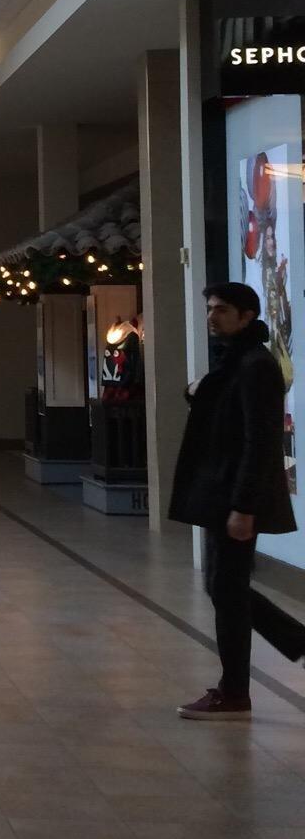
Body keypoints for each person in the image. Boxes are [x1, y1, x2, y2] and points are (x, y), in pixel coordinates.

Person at [170, 281, 304, 720]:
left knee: (226, 590)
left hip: (234, 497)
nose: (212, 317)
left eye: (222, 310)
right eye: (210, 308)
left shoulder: (255, 365)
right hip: (220, 493)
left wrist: (244, 507)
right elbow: (221, 408)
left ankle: (235, 692)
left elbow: (259, 440)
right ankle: (279, 654)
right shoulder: (236, 360)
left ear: (247, 316)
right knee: (222, 588)